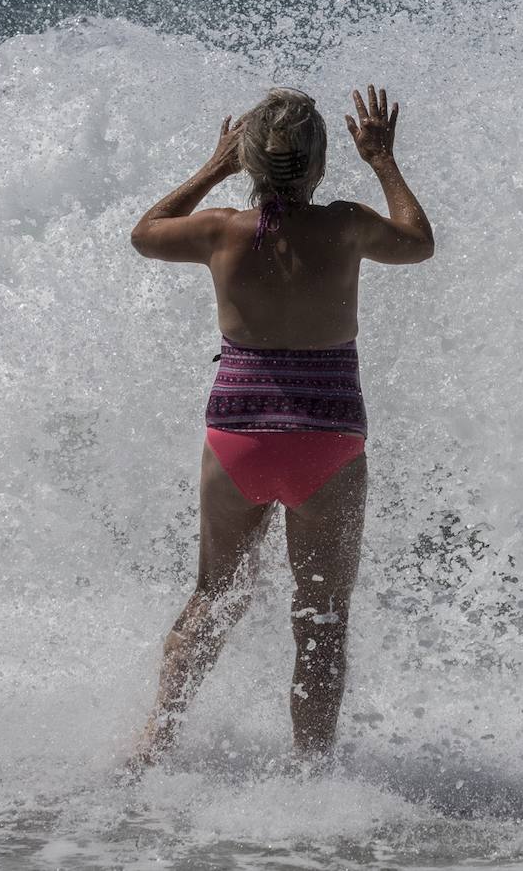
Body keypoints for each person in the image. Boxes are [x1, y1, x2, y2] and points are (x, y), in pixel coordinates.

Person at [125, 85, 433, 771]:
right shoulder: (348, 225)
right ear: (323, 165)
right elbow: (418, 243)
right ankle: (309, 774)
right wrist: (382, 161)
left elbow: (145, 232)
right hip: (327, 443)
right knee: (320, 617)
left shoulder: (219, 230)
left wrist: (212, 168)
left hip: (240, 439)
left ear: (249, 161)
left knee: (212, 595)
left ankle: (152, 749)